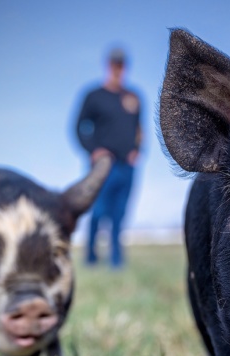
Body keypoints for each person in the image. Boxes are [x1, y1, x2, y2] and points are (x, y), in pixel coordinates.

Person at [75, 47, 142, 268]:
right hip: (103, 166)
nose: (118, 69)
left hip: (127, 166)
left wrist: (137, 150)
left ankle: (116, 262)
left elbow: (139, 129)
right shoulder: (94, 96)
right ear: (108, 66)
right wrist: (93, 150)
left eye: (121, 65)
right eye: (114, 64)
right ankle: (91, 259)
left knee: (119, 215)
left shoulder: (133, 97)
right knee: (99, 212)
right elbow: (79, 127)